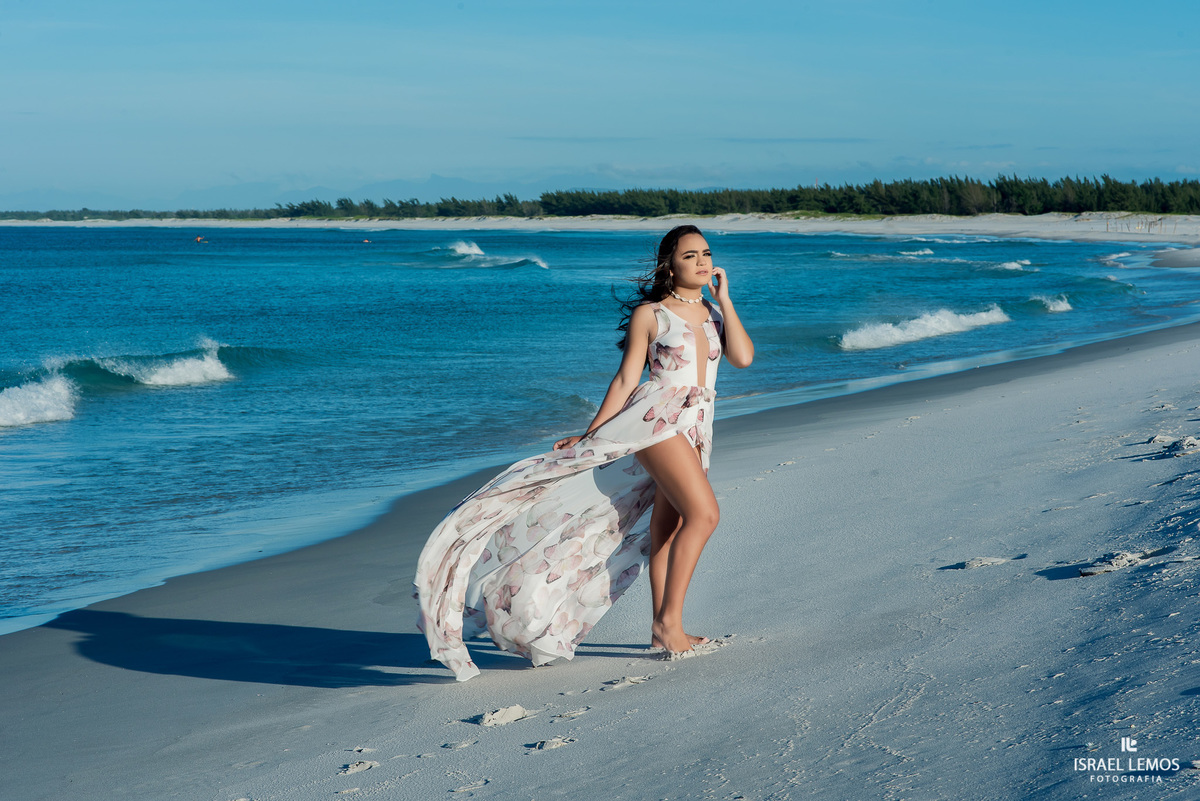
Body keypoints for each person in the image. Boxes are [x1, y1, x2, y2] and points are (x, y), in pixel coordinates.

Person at [414, 225, 753, 681]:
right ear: (669, 265)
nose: (702, 262)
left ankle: (661, 628)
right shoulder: (651, 314)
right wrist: (591, 435)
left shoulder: (712, 312)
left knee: (668, 528)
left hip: (696, 427)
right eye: (690, 255)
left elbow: (743, 359)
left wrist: (725, 300)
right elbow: (626, 380)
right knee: (705, 515)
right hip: (655, 423)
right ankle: (669, 624)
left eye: (706, 253)